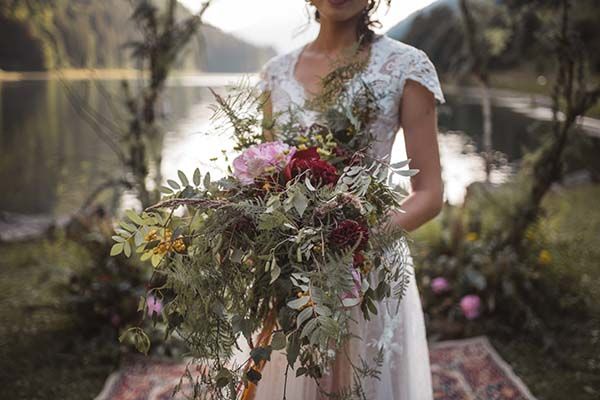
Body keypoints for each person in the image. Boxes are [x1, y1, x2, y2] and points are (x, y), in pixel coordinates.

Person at [255, 1, 445, 398]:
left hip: (368, 268)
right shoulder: (275, 74)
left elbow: (429, 192)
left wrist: (358, 244)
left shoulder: (406, 65)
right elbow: (265, 178)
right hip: (293, 270)